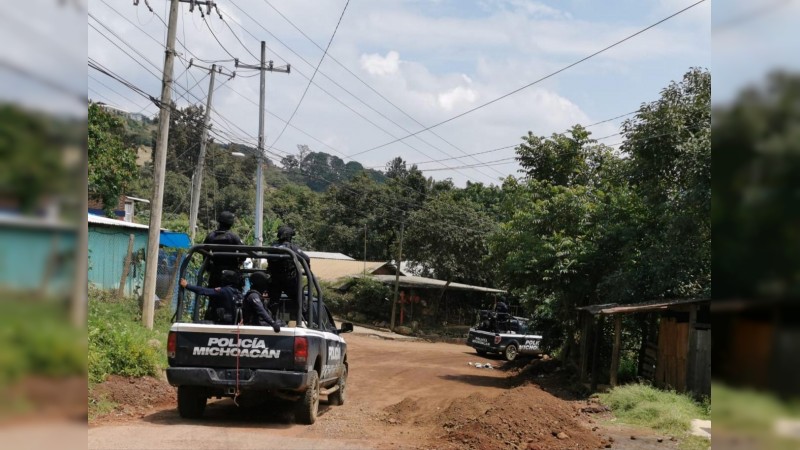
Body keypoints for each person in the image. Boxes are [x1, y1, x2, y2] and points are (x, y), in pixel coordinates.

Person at [267, 225, 310, 319]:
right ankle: (305, 319)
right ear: (289, 237)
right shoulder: (291, 247)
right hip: (290, 280)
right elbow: (306, 258)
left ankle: (272, 318)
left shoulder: (272, 247)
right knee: (301, 300)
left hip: (275, 281)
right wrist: (308, 271)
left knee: (273, 302)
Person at [203, 211, 245, 287]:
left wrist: (208, 268)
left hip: (215, 273)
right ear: (231, 223)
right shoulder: (234, 236)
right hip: (232, 273)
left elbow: (204, 253)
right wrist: (240, 261)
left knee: (213, 295)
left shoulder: (211, 236)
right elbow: (243, 253)